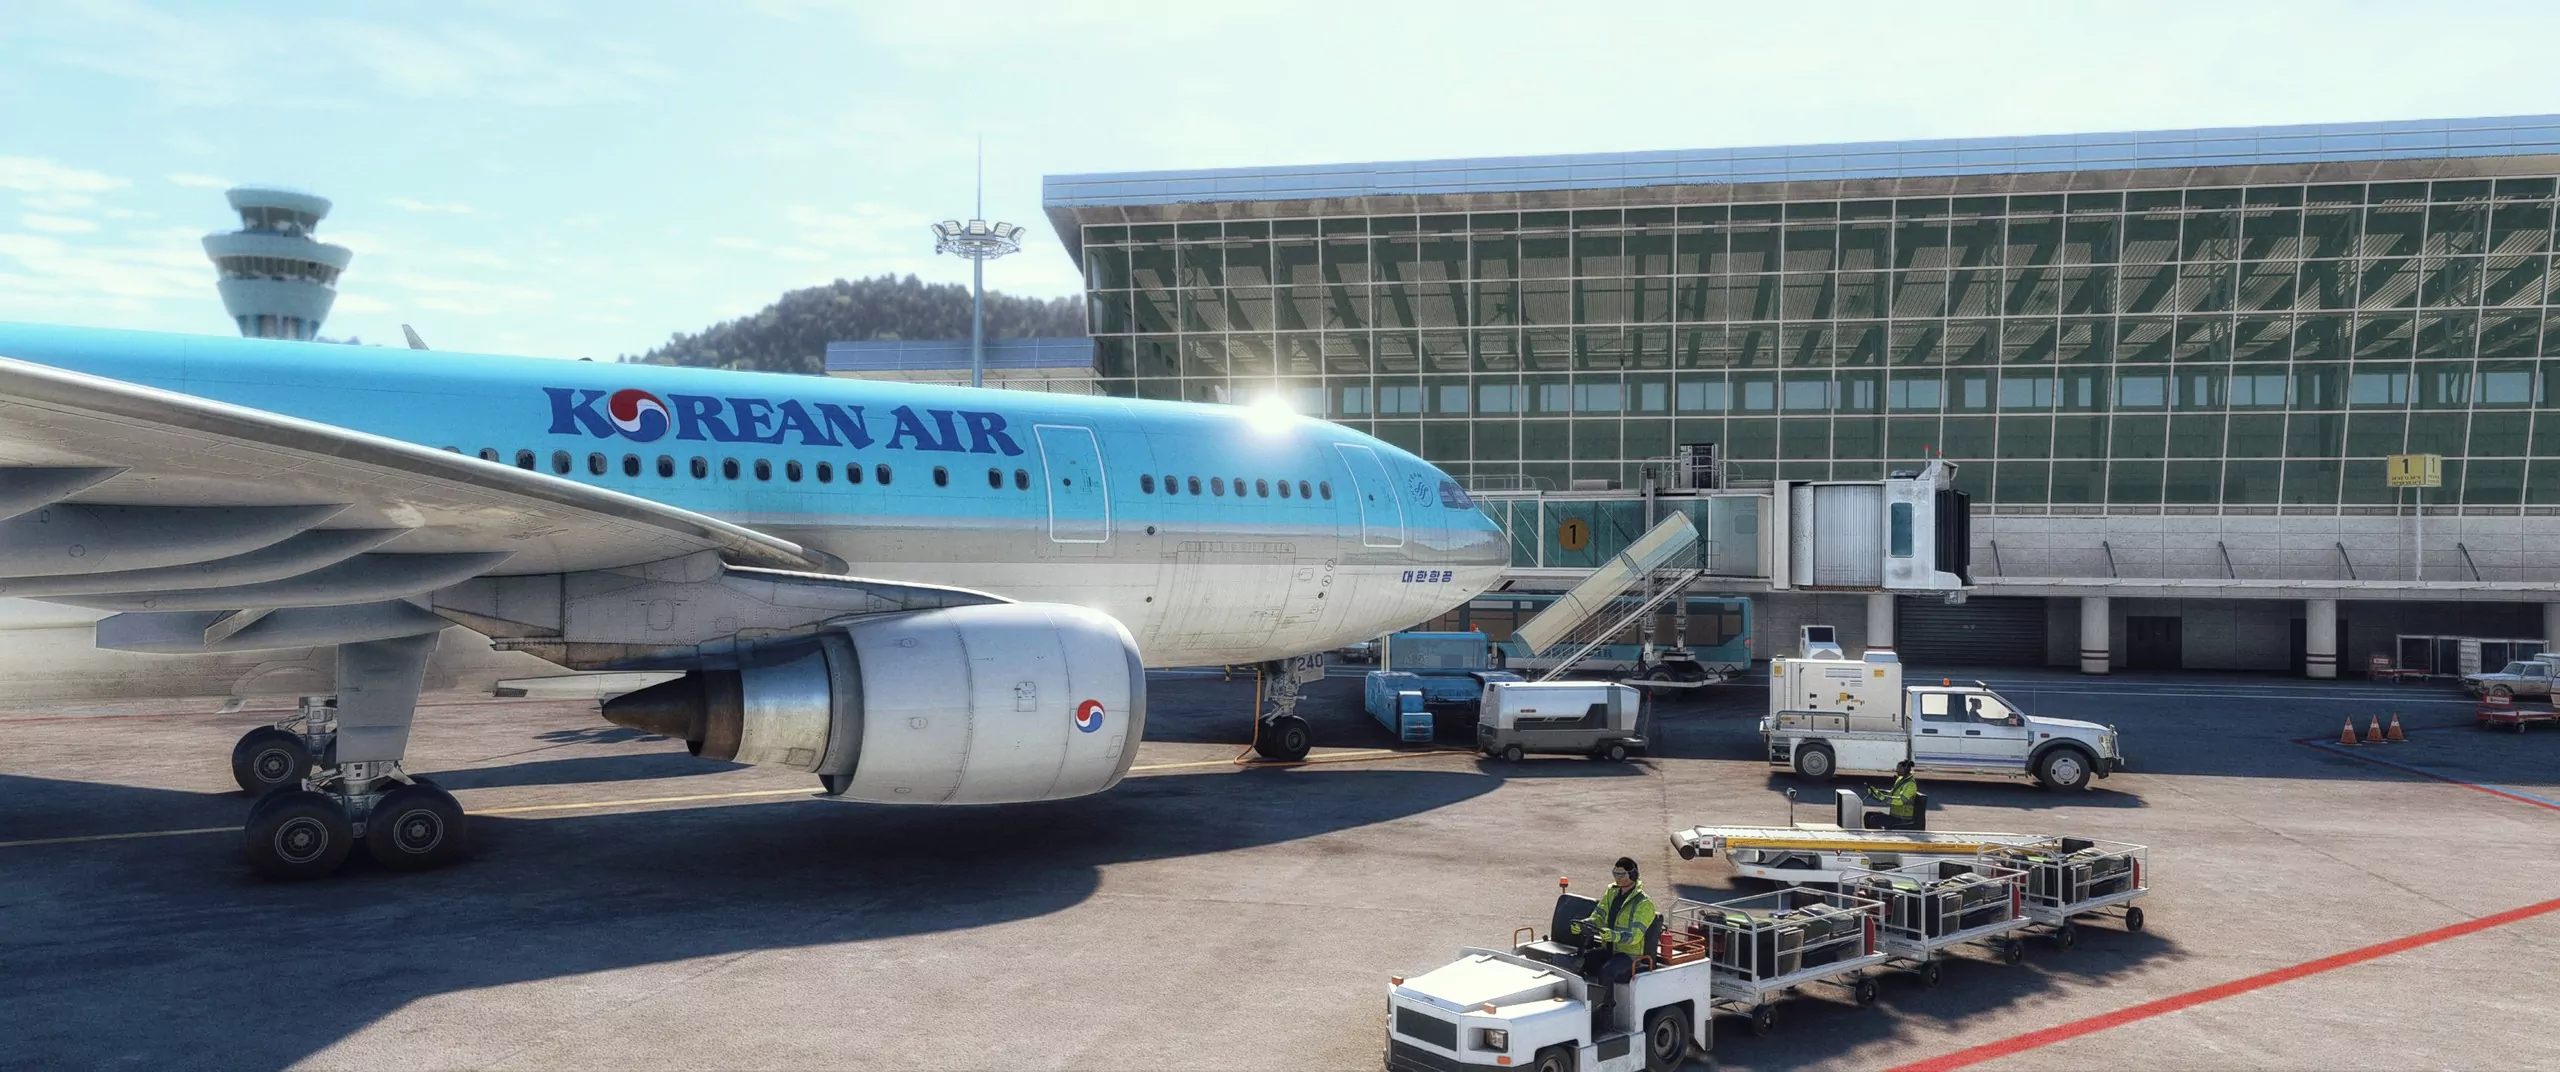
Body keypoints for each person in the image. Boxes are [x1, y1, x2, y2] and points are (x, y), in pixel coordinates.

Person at [1574, 856, 1656, 985]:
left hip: (1629, 956)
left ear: (1633, 875)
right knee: (1583, 960)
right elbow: (1599, 917)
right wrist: (1585, 924)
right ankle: (1584, 994)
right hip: (1609, 950)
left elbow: (1635, 936)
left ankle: (1607, 999)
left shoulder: (1644, 903)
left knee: (1607, 972)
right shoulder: (1611, 893)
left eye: (1621, 874)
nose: (1617, 878)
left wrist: (1614, 936)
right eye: (1615, 873)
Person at [1865, 761, 1922, 829]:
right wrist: (1877, 792)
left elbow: (1900, 801)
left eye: (1899, 768)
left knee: (1874, 820)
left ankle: (1879, 835)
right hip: (1895, 816)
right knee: (1868, 815)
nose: (1897, 770)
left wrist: (1884, 798)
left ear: (1906, 769)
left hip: (1902, 819)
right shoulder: (1900, 779)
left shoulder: (1911, 785)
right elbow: (1891, 793)